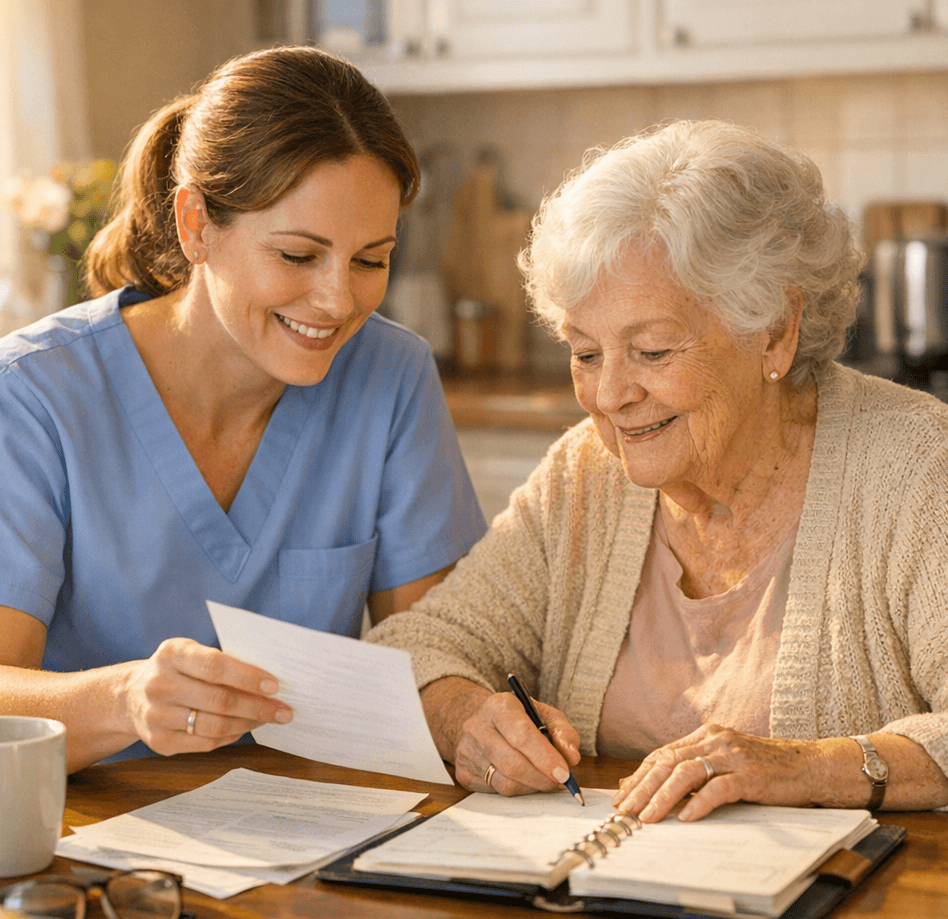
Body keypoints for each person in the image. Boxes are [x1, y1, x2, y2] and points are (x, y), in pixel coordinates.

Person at [0, 46, 486, 778]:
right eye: (296, 256)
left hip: (293, 834)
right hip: (59, 832)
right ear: (195, 224)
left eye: (371, 260)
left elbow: (434, 647)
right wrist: (128, 699)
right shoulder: (24, 393)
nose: (338, 301)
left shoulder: (391, 377)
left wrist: (470, 713)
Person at [367, 119, 948, 821]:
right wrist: (465, 716)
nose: (610, 395)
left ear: (775, 330)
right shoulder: (586, 476)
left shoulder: (916, 467)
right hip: (609, 906)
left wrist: (808, 766)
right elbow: (416, 645)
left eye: (652, 352)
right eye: (585, 353)